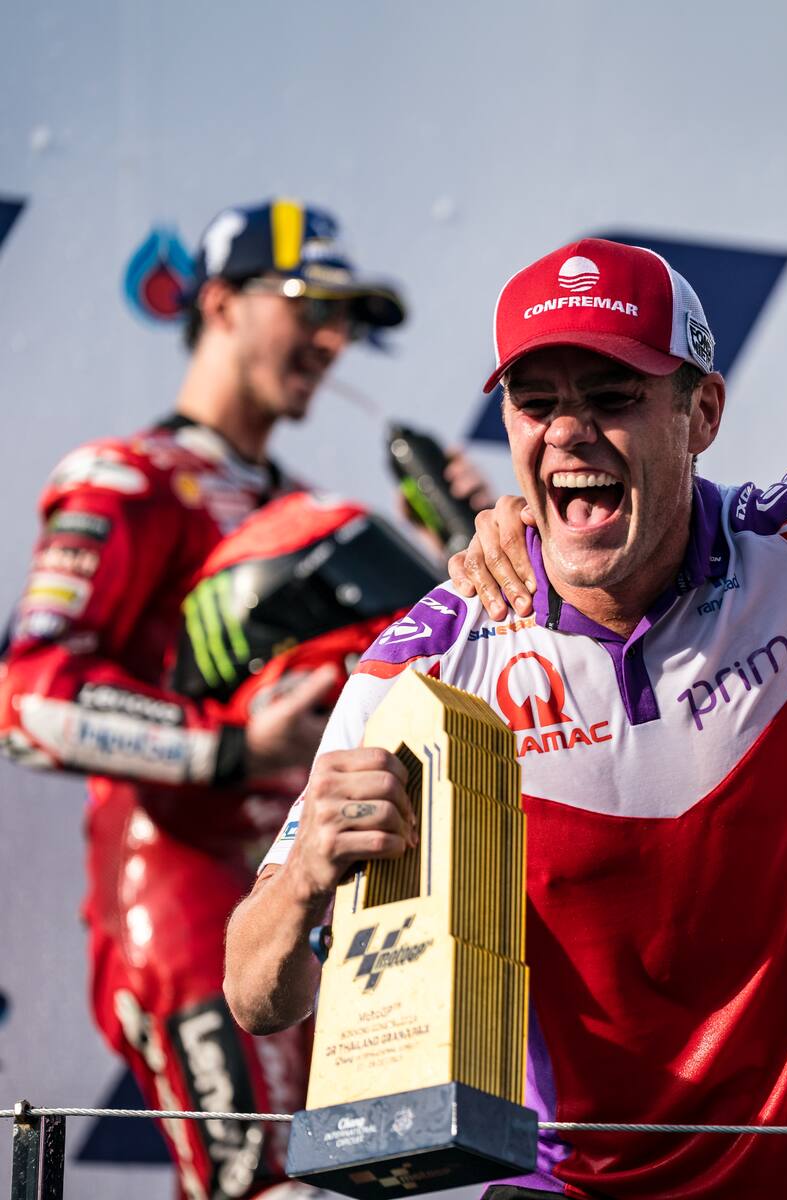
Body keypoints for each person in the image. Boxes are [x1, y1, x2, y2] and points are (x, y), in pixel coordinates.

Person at [225, 237, 787, 1199]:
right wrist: (304, 885)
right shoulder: (426, 665)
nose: (569, 434)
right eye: (537, 404)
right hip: (572, 1190)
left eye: (612, 397)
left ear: (702, 411)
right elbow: (258, 997)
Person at [0, 199, 426, 1200]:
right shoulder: (127, 478)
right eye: (309, 307)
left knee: (340, 1187)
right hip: (181, 886)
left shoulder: (302, 508)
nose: (331, 341)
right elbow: (26, 700)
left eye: (343, 320)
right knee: (263, 1190)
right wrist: (233, 745)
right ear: (223, 305)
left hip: (311, 894)